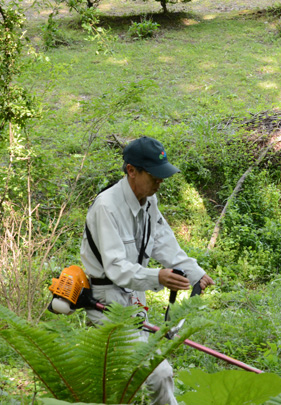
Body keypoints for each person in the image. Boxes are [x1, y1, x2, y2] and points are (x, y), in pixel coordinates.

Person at [80, 136, 215, 405]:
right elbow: (116, 267)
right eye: (154, 175)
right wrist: (158, 277)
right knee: (158, 373)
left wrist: (194, 272)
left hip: (133, 298)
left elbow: (165, 244)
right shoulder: (106, 207)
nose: (160, 181)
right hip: (105, 302)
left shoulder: (149, 202)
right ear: (131, 170)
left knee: (142, 375)